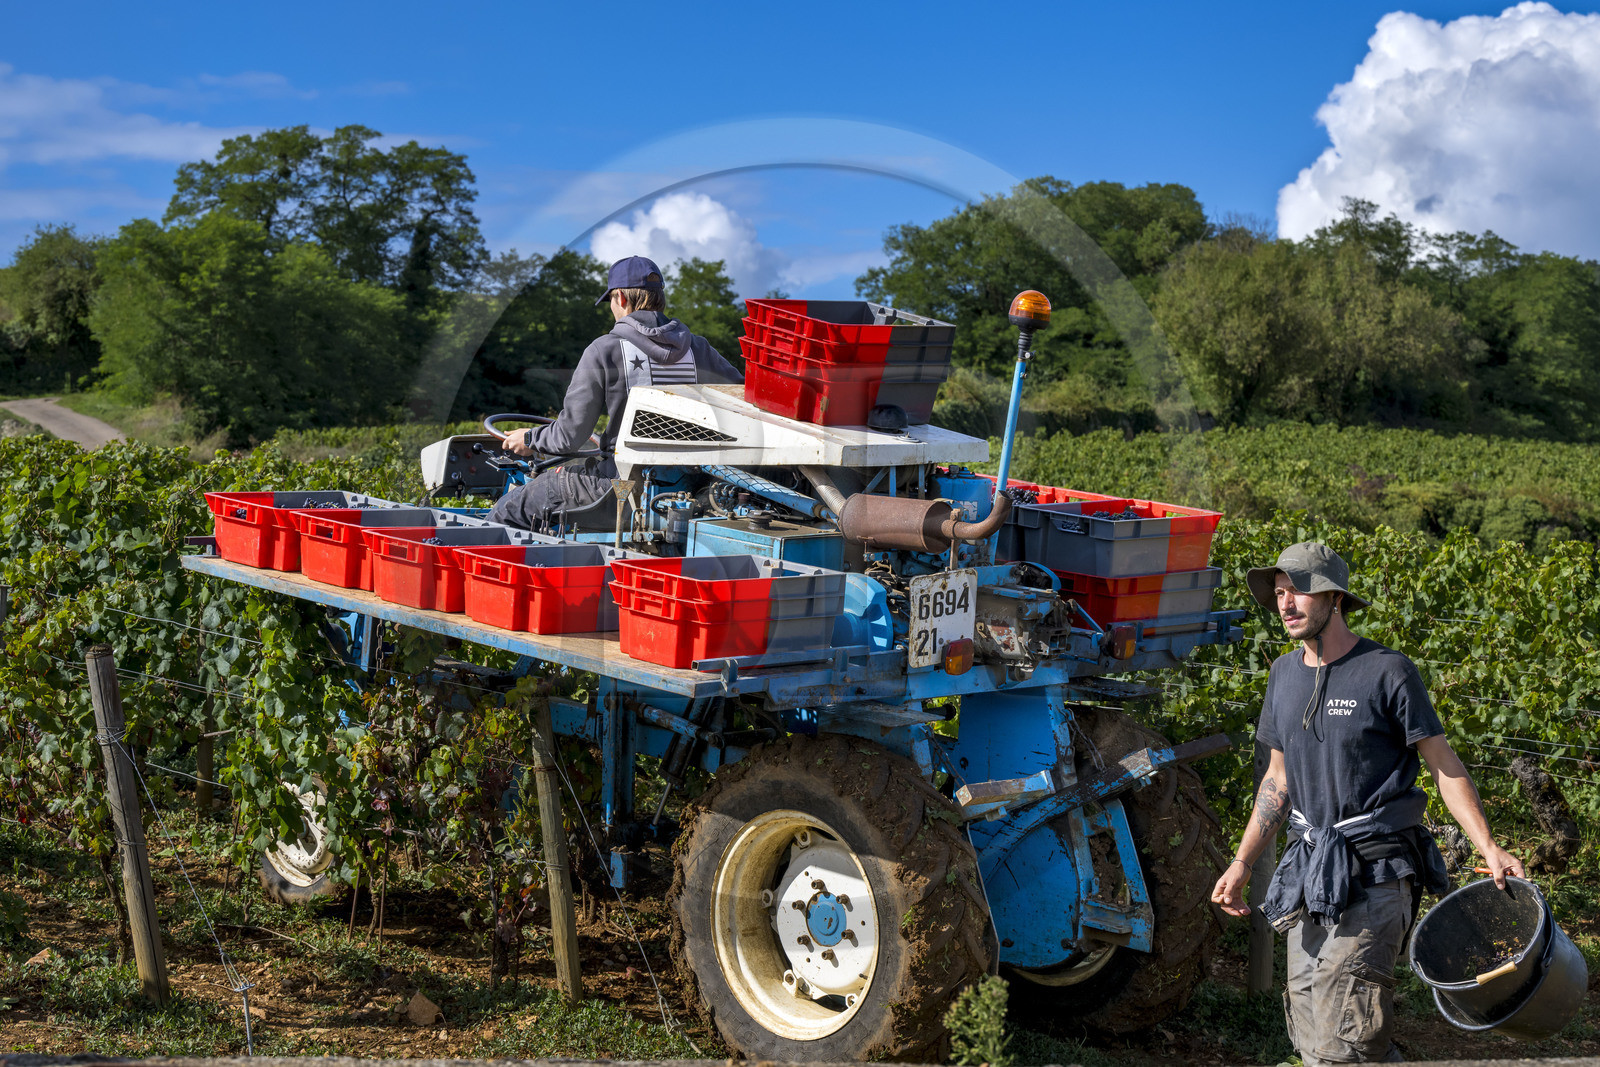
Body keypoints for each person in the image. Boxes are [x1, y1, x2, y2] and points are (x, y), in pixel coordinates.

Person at [1210, 541, 1523, 1066]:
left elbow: (1444, 767)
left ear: (1335, 599)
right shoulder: (1283, 676)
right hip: (1311, 874)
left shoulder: (1387, 670)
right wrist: (1242, 862)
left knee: (1345, 1040)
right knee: (1310, 1029)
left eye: (1300, 591)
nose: (1286, 604)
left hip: (1376, 872)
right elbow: (1277, 782)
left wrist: (1488, 846)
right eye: (1281, 593)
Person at [488, 255, 742, 530]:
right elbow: (743, 400)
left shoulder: (604, 349)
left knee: (510, 508)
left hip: (615, 490)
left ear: (620, 298)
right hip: (690, 488)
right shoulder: (699, 349)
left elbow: (570, 437)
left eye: (610, 301)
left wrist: (530, 438)